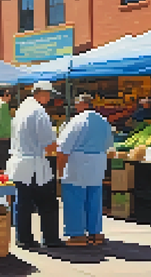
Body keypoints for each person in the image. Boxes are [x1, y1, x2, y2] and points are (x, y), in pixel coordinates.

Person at [7, 81, 64, 249]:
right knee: (48, 203)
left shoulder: (21, 110)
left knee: (23, 203)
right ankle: (50, 238)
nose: (49, 98)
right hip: (34, 165)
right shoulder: (39, 113)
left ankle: (23, 238)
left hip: (19, 164)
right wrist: (60, 145)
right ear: (41, 94)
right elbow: (48, 144)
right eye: (48, 95)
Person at [57, 94, 114, 246]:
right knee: (94, 198)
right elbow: (109, 143)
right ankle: (95, 233)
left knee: (74, 198)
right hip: (97, 163)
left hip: (78, 163)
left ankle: (77, 235)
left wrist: (59, 171)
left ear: (81, 104)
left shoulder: (77, 121)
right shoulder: (103, 121)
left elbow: (63, 148)